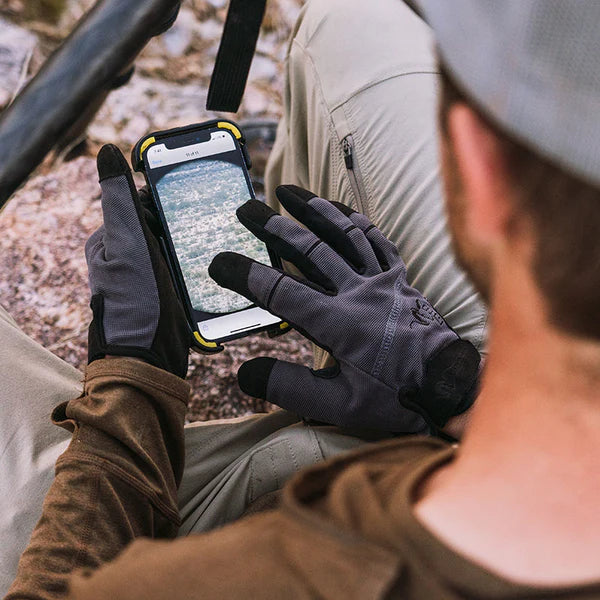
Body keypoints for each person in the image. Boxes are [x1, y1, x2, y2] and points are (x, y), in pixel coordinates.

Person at [4, 1, 600, 599]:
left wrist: (133, 383)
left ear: (478, 169)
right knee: (355, 21)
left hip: (128, 522)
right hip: (479, 428)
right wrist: (452, 386)